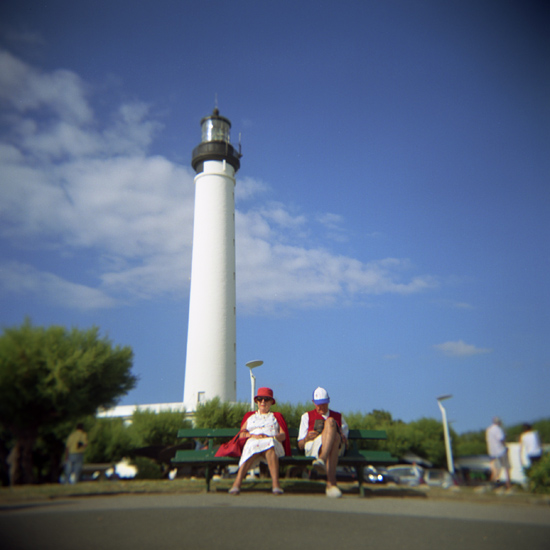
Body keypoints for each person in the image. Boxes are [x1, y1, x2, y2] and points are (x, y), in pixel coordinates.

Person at [229, 387, 291, 495]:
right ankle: (237, 483)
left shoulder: (276, 417)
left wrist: (272, 437)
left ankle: (276, 484)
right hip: (253, 442)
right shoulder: (250, 417)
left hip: (271, 443)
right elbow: (242, 434)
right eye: (260, 399)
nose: (263, 402)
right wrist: (253, 435)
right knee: (252, 445)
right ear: (257, 401)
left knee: (269, 445)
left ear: (271, 402)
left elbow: (283, 435)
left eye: (266, 399)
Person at [298, 387, 349, 498]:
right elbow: (300, 445)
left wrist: (343, 437)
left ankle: (322, 459)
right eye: (318, 404)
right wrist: (307, 438)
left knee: (332, 425)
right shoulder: (306, 417)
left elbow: (347, 442)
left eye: (323, 404)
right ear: (313, 403)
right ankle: (331, 484)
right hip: (314, 445)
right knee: (334, 436)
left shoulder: (338, 417)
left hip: (336, 447)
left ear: (328, 402)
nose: (321, 407)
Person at [485, 417, 510, 489]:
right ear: (499, 422)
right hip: (500, 451)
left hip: (492, 452)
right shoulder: (498, 429)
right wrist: (505, 447)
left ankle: (493, 484)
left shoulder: (489, 429)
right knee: (506, 468)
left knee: (495, 469)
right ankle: (508, 485)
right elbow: (501, 439)